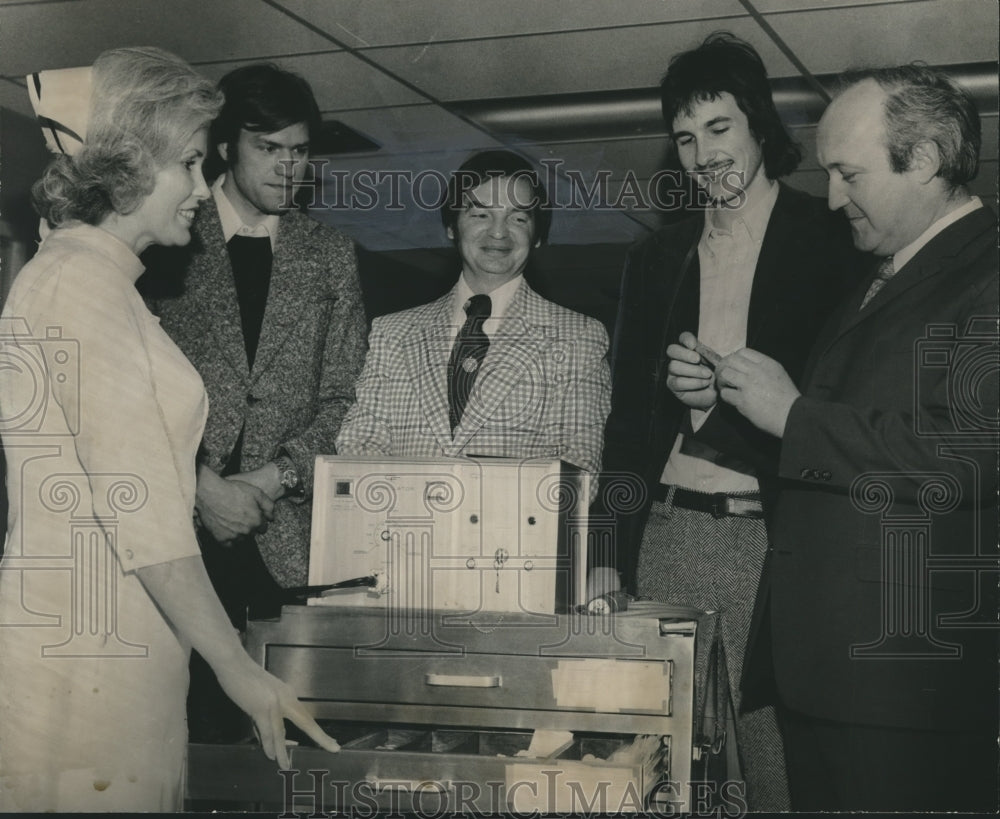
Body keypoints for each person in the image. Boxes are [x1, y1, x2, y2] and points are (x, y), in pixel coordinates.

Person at [0, 47, 338, 813]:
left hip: (107, 640)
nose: (198, 185)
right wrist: (238, 667)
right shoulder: (84, 285)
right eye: (187, 163)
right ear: (129, 165)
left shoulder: (91, 280)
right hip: (90, 653)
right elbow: (143, 510)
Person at [714, 64, 998, 812]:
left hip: (904, 686)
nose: (833, 197)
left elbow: (970, 453)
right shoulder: (878, 279)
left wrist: (794, 414)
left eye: (849, 173)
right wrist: (739, 399)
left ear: (927, 159)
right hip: (833, 676)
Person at [598, 33, 863, 810]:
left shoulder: (831, 241)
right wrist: (610, 551)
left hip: (774, 541)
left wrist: (715, 405)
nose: (704, 153)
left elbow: (838, 409)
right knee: (672, 767)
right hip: (673, 535)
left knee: (775, 766)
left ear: (757, 126)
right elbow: (625, 422)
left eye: (719, 128)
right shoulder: (659, 260)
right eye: (685, 137)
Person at [142, 63, 367, 740]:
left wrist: (274, 477)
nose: (288, 168)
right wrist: (203, 486)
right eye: (270, 149)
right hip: (175, 539)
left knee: (287, 748)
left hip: (287, 548)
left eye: (300, 152)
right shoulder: (168, 235)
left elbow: (346, 398)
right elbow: (132, 394)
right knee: (181, 746)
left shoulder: (331, 255)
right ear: (224, 146)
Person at [336, 149, 610, 487]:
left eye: (519, 218)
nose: (499, 233)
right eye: (480, 214)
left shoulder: (577, 337)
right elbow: (358, 446)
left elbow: (579, 472)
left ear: (538, 236)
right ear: (452, 226)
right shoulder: (393, 332)